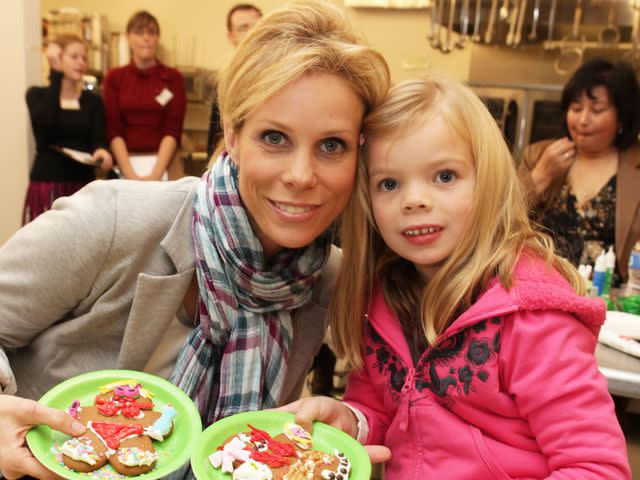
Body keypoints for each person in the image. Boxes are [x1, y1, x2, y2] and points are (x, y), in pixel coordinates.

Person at [0, 1, 390, 479]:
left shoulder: (328, 279)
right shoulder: (116, 220)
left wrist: (354, 422)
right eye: (274, 138)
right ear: (232, 133)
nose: (301, 175)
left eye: (332, 145)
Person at [282, 75, 631, 478]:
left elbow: (596, 467)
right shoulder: (385, 296)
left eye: (444, 176)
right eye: (389, 183)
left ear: (489, 180)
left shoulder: (532, 315)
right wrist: (350, 418)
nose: (414, 200)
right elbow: (379, 407)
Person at [518, 59, 640, 284]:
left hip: (609, 301)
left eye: (597, 110)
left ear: (622, 118)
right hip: (538, 290)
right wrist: (540, 176)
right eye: (576, 109)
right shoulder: (539, 155)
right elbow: (499, 222)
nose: (583, 120)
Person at [24, 34, 113, 224]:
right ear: (58, 58)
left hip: (82, 188)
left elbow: (98, 140)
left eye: (84, 58)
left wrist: (102, 152)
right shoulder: (36, 96)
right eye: (74, 57)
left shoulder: (93, 101)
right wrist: (56, 73)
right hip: (47, 186)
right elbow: (45, 125)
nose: (81, 62)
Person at [102, 10, 186, 181]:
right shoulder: (114, 78)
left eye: (152, 32)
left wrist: (155, 175)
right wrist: (130, 175)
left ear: (158, 38)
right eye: (139, 32)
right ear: (128, 38)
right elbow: (113, 130)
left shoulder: (173, 78)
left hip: (166, 166)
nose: (146, 37)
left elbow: (172, 130)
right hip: (125, 165)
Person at [206, 3, 263, 158]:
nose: (252, 32)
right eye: (243, 28)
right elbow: (215, 135)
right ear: (231, 37)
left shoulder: (279, 74)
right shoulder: (225, 80)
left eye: (257, 26)